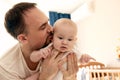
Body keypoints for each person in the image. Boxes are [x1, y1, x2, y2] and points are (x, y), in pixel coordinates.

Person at [0, 2, 95, 80]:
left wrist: (69, 77)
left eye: (48, 23)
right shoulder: (5, 70)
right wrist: (44, 77)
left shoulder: (56, 42)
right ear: (23, 38)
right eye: (43, 27)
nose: (51, 29)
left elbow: (70, 74)